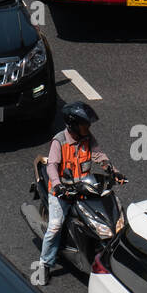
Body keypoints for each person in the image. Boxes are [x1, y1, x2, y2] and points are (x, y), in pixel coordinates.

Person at [36, 102, 114, 281]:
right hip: (62, 192)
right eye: (84, 124)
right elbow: (52, 166)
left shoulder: (87, 138)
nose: (88, 127)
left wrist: (111, 169)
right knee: (55, 226)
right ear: (73, 125)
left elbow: (98, 155)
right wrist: (57, 185)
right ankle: (44, 264)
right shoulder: (59, 141)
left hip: (84, 188)